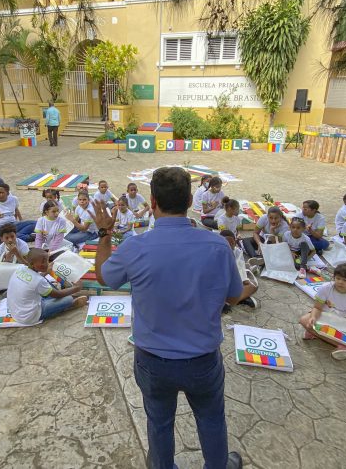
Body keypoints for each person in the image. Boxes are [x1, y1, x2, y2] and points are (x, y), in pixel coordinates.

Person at [92, 166, 244, 469]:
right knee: (211, 419)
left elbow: (103, 278)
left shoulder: (135, 246)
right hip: (202, 360)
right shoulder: (217, 245)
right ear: (190, 199)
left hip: (153, 361)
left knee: (159, 422)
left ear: (152, 200)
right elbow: (232, 295)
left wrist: (105, 234)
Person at [299, 263, 346, 360]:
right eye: (338, 278)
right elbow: (318, 308)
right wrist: (313, 317)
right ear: (334, 278)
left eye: (345, 280)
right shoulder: (326, 288)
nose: (340, 282)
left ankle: (317, 334)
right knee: (304, 320)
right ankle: (344, 346)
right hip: (325, 316)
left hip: (343, 320)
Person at [6, 248, 87, 327]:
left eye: (47, 260)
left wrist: (45, 272)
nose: (46, 264)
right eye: (43, 262)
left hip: (16, 311)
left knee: (45, 283)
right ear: (31, 264)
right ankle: (69, 305)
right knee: (68, 299)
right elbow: (57, 294)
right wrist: (76, 288)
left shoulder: (20, 268)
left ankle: (54, 298)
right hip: (29, 316)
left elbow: (35, 281)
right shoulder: (38, 280)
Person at [219, 230, 259, 311]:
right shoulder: (216, 251)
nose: (229, 246)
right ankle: (238, 299)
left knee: (253, 286)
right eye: (226, 244)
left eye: (232, 243)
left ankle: (228, 303)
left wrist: (244, 280)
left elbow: (240, 267)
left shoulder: (237, 251)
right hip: (220, 284)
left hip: (233, 283)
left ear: (235, 242)